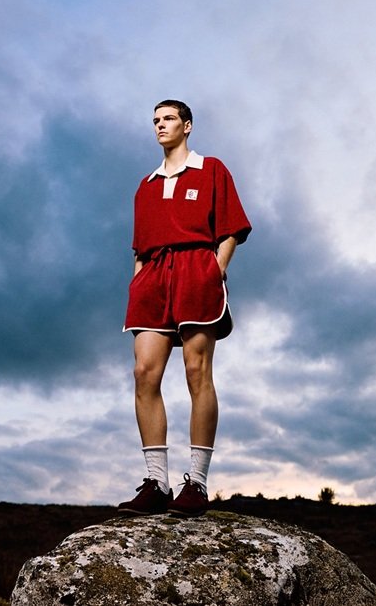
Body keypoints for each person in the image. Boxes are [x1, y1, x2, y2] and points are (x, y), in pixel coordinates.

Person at [118, 99, 251, 517]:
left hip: (196, 269)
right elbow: (140, 247)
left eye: (169, 119)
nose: (160, 125)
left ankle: (196, 483)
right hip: (153, 276)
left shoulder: (211, 169)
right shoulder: (146, 185)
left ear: (187, 125)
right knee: (144, 372)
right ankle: (157, 483)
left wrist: (216, 268)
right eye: (155, 120)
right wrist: (138, 281)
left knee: (197, 370)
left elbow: (231, 229)